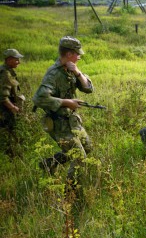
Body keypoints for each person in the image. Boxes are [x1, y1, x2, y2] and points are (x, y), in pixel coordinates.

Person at [33, 36, 93, 188]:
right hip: (58, 122)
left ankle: (49, 163)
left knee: (88, 147)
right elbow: (39, 98)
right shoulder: (53, 74)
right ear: (68, 54)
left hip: (72, 120)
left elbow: (88, 89)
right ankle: (71, 194)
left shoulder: (70, 69)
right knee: (79, 158)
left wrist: (78, 73)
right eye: (77, 53)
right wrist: (67, 102)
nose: (79, 56)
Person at [0, 49, 25, 156]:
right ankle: (11, 156)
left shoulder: (7, 71)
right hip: (5, 111)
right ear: (9, 60)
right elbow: (3, 97)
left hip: (5, 109)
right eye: (16, 60)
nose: (19, 62)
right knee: (10, 134)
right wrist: (13, 108)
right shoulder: (6, 74)